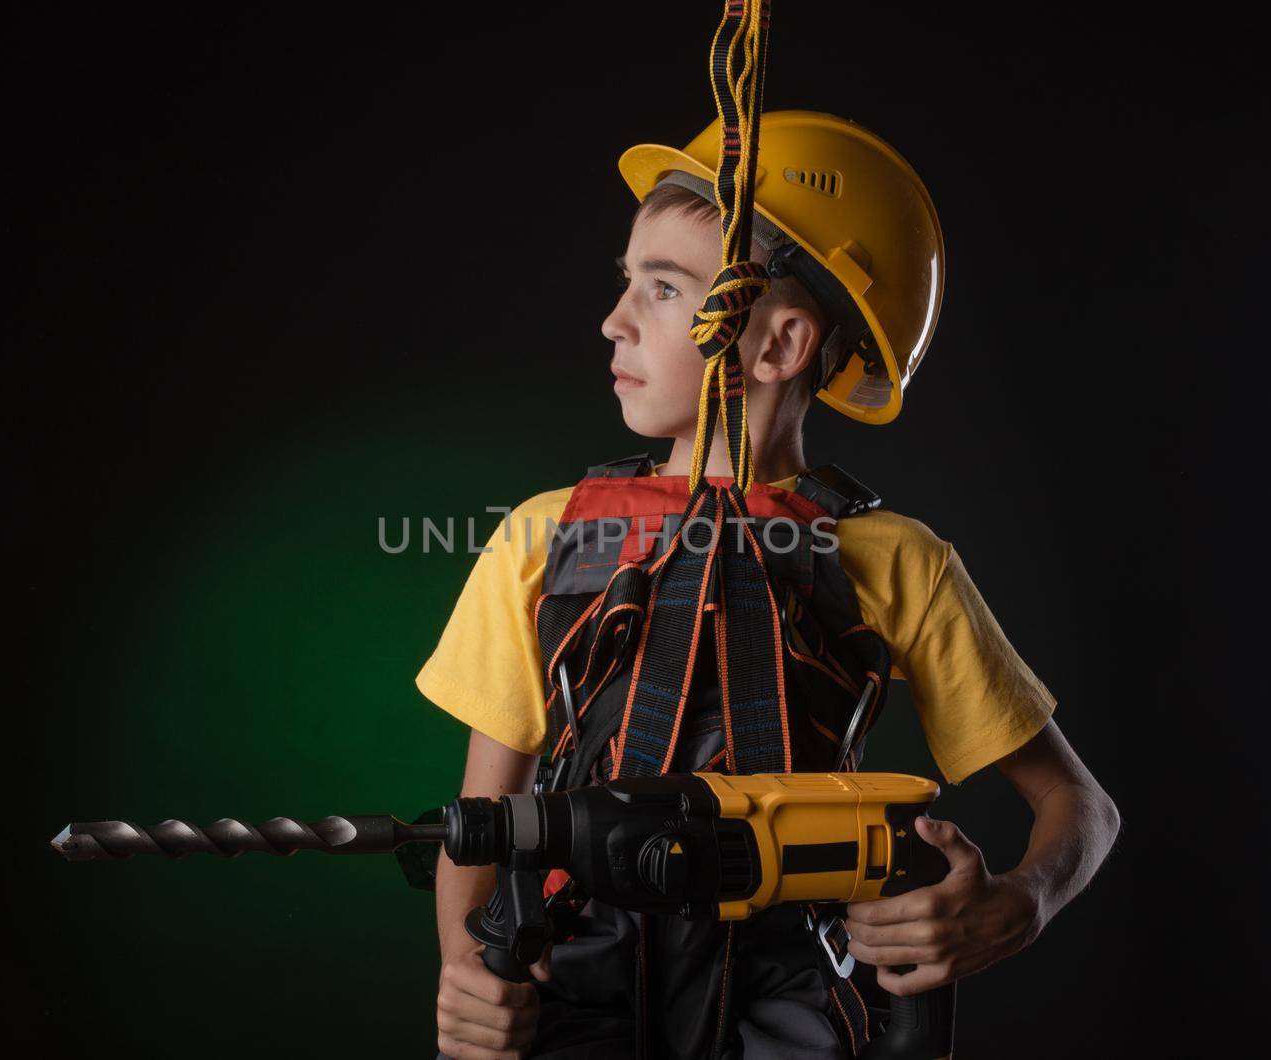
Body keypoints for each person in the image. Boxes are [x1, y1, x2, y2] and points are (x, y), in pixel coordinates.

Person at [417, 112, 1121, 1060]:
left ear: (780, 344)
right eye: (626, 282)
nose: (614, 320)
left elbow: (1084, 809)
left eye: (663, 290)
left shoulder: (893, 559)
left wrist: (1020, 901)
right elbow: (485, 824)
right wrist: (467, 970)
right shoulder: (547, 537)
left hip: (796, 1015)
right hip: (574, 1005)